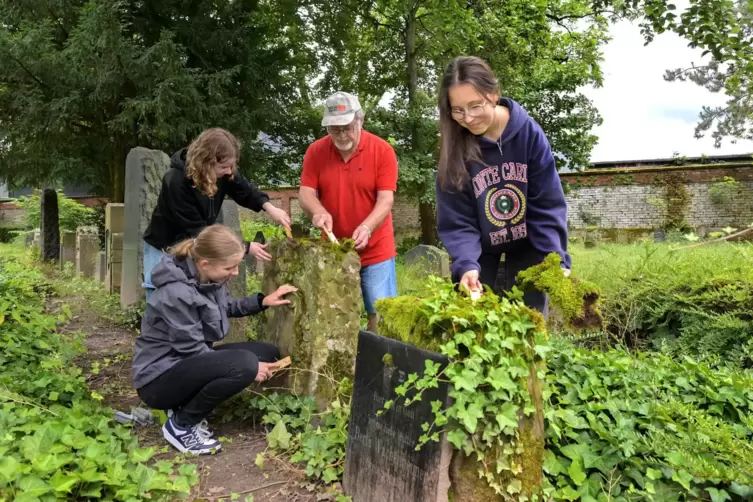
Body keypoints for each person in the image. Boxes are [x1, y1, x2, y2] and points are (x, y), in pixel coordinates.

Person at [132, 224, 297, 455]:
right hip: (157, 380)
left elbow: (227, 306)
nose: (236, 272)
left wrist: (263, 301)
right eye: (230, 267)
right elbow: (191, 349)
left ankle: (183, 404)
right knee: (246, 365)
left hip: (183, 364)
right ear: (205, 263)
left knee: (266, 352)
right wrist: (248, 369)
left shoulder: (207, 278)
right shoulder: (175, 293)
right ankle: (182, 425)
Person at [435, 56, 571, 317]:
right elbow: (458, 219)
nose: (468, 118)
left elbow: (547, 203)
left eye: (475, 106)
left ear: (494, 94)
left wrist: (555, 258)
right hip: (480, 250)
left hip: (531, 245)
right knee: (475, 323)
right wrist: (466, 265)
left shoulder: (529, 135)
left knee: (528, 326)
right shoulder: (454, 148)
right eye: (458, 110)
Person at [143, 127, 291, 299]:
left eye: (231, 166)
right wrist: (245, 247)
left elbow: (245, 190)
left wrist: (271, 208)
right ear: (206, 162)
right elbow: (197, 230)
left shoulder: (223, 172)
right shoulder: (176, 181)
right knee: (162, 298)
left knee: (194, 299)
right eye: (224, 166)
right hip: (165, 246)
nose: (229, 171)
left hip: (197, 245)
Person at [299, 92, 399, 331]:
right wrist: (318, 211)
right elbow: (305, 193)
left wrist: (367, 227)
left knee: (380, 312)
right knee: (335, 310)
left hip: (376, 249)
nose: (341, 135)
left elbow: (386, 200)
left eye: (347, 127)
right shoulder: (316, 152)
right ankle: (343, 364)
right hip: (335, 250)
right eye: (334, 129)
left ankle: (379, 361)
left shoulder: (382, 151)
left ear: (360, 121)